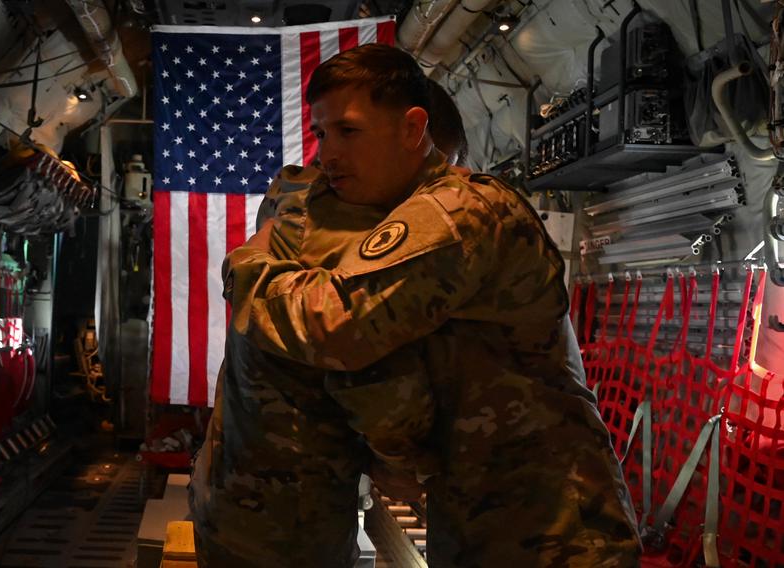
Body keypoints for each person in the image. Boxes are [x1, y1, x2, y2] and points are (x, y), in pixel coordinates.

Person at [223, 44, 642, 566]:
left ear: (412, 129)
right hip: (479, 515)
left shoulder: (460, 212)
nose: (328, 155)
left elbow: (333, 325)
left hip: (554, 528)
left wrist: (248, 264)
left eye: (348, 132)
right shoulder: (403, 212)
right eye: (321, 135)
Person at [189, 76, 468, 567]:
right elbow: (368, 370)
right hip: (292, 509)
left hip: (229, 473)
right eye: (440, 167)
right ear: (414, 138)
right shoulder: (355, 231)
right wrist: (411, 467)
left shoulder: (289, 196)